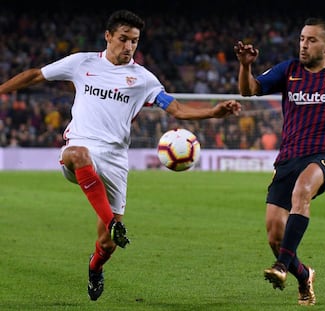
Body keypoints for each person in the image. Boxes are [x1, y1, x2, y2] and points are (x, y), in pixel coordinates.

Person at [0, 10, 241, 301]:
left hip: (115, 158)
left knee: (107, 245)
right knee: (76, 153)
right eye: (123, 39)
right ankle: (114, 224)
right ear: (109, 36)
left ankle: (95, 267)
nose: (128, 47)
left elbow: (176, 109)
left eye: (134, 41)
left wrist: (213, 112)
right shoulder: (82, 62)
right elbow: (36, 75)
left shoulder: (143, 79)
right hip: (82, 145)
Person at [234, 17, 325, 306]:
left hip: (322, 157)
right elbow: (248, 90)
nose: (303, 44)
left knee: (302, 192)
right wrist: (246, 65)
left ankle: (281, 267)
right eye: (302, 38)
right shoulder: (288, 70)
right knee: (276, 238)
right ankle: (304, 276)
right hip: (288, 158)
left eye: (311, 40)